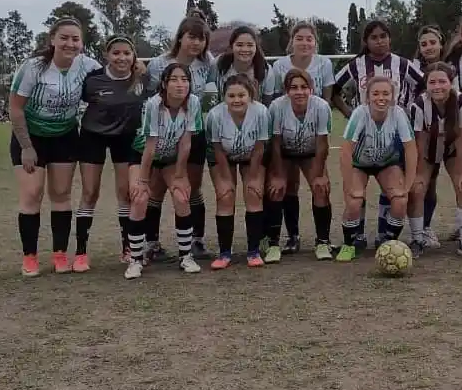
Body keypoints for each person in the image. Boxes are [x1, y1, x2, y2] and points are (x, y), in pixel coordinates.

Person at [9, 16, 101, 276]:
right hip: (31, 136)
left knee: (60, 194)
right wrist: (26, 147)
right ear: (52, 40)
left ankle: (60, 254)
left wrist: (137, 71)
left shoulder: (87, 65)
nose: (70, 44)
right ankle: (30, 256)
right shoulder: (34, 67)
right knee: (32, 194)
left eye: (75, 39)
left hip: (65, 135)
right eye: (64, 38)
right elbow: (15, 109)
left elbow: (113, 78)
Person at [333, 19, 423, 247]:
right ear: (366, 41)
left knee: (398, 195)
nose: (379, 41)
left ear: (390, 38)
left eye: (383, 36)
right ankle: (354, 240)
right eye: (374, 37)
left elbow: (424, 85)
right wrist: (349, 112)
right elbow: (334, 89)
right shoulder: (356, 65)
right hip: (362, 145)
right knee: (355, 197)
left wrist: (412, 108)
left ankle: (387, 238)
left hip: (392, 141)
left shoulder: (402, 64)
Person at [144, 14, 217, 261]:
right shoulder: (158, 64)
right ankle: (151, 243)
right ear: (180, 38)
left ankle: (196, 240)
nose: (196, 43)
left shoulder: (207, 63)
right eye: (192, 37)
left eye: (202, 39)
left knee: (191, 187)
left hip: (192, 133)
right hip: (163, 134)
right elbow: (147, 97)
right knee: (156, 189)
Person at [124, 63, 204, 278]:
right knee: (140, 198)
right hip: (143, 156)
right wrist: (142, 180)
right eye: (174, 79)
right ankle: (135, 260)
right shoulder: (154, 104)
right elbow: (150, 146)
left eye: (185, 79)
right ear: (164, 84)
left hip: (171, 158)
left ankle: (186, 257)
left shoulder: (193, 102)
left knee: (181, 196)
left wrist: (180, 175)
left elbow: (186, 143)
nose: (180, 84)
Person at [74, 35, 146, 270]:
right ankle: (81, 252)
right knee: (90, 192)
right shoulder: (93, 80)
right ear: (107, 55)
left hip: (126, 137)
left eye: (126, 53)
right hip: (92, 136)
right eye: (116, 53)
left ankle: (127, 248)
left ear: (133, 56)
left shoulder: (141, 79)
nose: (121, 57)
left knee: (125, 193)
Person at [268, 22, 335, 254]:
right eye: (293, 87)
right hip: (285, 150)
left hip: (310, 150)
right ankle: (291, 238)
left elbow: (323, 144)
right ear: (286, 90)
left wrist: (318, 174)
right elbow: (275, 143)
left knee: (321, 188)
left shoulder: (321, 106)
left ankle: (323, 241)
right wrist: (277, 174)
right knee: (283, 188)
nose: (298, 91)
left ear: (311, 88)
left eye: (303, 87)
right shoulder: (277, 107)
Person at [337, 76, 417, 262]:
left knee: (400, 200)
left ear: (392, 96)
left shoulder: (398, 113)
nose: (381, 98)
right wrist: (348, 184)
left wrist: (408, 184)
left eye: (385, 93)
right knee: (354, 200)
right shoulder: (360, 113)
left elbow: (411, 149)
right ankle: (350, 243)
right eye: (375, 93)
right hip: (359, 164)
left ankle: (388, 242)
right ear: (367, 97)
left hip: (387, 163)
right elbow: (346, 150)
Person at [408, 62, 462, 258]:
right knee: (417, 189)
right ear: (426, 85)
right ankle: (417, 239)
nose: (437, 86)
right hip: (428, 151)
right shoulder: (418, 104)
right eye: (432, 82)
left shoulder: (461, 102)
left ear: (451, 83)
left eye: (442, 81)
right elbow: (420, 143)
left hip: (451, 149)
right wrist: (419, 174)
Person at [205, 73, 269, 269]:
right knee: (225, 196)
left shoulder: (261, 112)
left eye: (241, 95)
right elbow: (217, 149)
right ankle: (224, 253)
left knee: (253, 192)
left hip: (252, 156)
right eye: (231, 96)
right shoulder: (215, 115)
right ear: (224, 97)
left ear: (250, 95)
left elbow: (260, 146)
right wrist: (226, 180)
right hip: (223, 156)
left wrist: (253, 177)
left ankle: (254, 251)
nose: (236, 100)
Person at [412, 25, 446, 247]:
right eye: (423, 44)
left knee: (432, 181)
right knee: (417, 181)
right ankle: (414, 229)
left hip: (444, 133)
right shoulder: (412, 68)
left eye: (432, 42)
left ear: (441, 44)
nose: (428, 47)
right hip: (415, 131)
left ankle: (426, 227)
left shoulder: (449, 69)